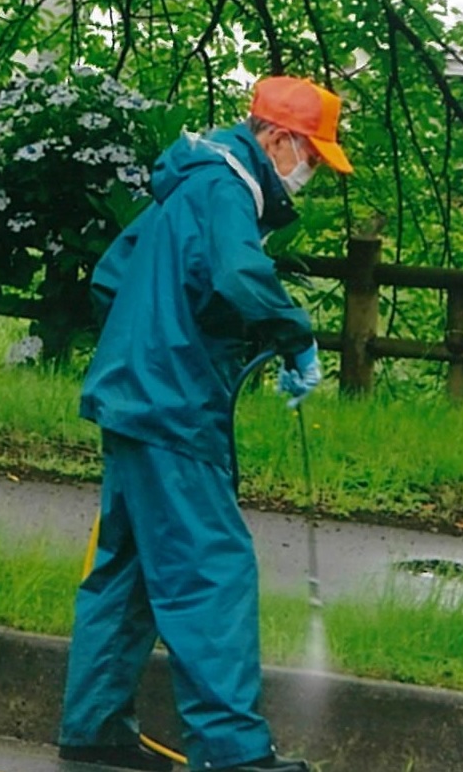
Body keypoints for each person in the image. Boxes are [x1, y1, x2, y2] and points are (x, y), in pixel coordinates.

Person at [57, 77, 353, 772]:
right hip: (171, 406)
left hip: (132, 395)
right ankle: (233, 754)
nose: (311, 172)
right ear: (277, 139)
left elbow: (111, 278)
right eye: (311, 155)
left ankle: (94, 730)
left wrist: (158, 336)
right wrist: (293, 334)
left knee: (126, 571)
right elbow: (235, 273)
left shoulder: (187, 181)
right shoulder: (225, 189)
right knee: (208, 569)